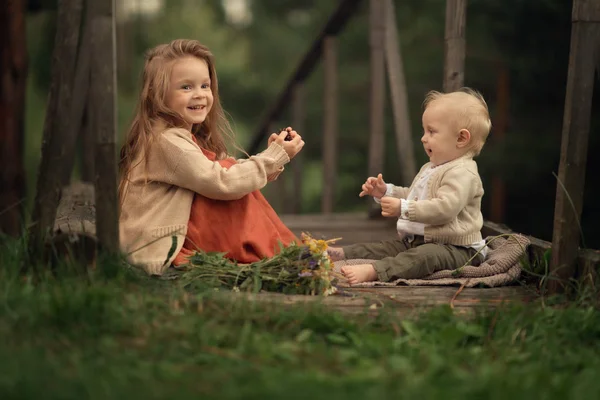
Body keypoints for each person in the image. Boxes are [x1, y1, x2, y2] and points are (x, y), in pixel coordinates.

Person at [118, 39, 304, 275]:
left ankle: (287, 250)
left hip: (167, 237)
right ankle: (287, 252)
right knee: (232, 185)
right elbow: (222, 182)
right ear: (157, 94)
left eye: (205, 86)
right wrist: (271, 159)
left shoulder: (174, 135)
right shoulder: (167, 141)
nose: (199, 95)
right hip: (158, 247)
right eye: (186, 87)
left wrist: (272, 159)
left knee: (230, 170)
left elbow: (224, 176)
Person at [328, 88, 492, 285]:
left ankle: (375, 271)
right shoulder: (431, 167)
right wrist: (386, 191)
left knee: (423, 257)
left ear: (461, 138)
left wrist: (403, 208)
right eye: (424, 131)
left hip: (457, 248)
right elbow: (416, 196)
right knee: (382, 248)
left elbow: (445, 209)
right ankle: (339, 253)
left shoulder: (463, 173)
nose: (423, 138)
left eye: (431, 131)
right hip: (419, 240)